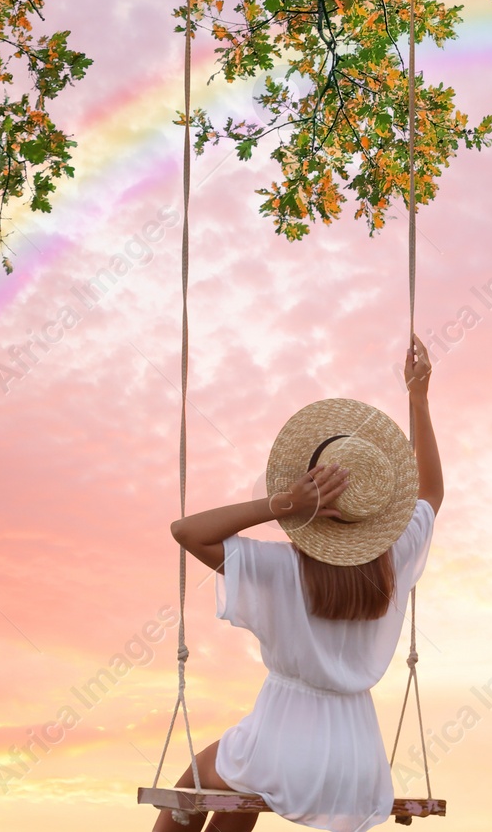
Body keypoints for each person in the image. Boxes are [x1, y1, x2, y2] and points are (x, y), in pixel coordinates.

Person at [157, 335, 442, 832]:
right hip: (359, 765)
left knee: (190, 790)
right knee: (231, 805)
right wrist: (419, 398)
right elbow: (433, 492)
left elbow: (186, 531)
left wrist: (282, 504)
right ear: (375, 512)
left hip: (281, 745)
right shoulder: (393, 560)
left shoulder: (282, 568)